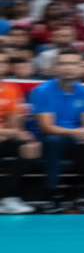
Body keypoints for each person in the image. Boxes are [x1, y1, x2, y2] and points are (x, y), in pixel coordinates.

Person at [31, 50, 84, 212]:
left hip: (75, 138)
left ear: (81, 68)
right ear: (55, 67)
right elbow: (46, 128)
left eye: (73, 63)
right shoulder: (42, 91)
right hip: (50, 139)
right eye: (63, 63)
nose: (68, 68)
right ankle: (52, 195)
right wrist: (76, 132)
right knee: (55, 141)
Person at [0, 52, 39, 214]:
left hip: (4, 136)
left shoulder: (12, 89)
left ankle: (8, 198)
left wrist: (20, 134)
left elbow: (16, 121)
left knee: (29, 147)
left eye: (3, 62)